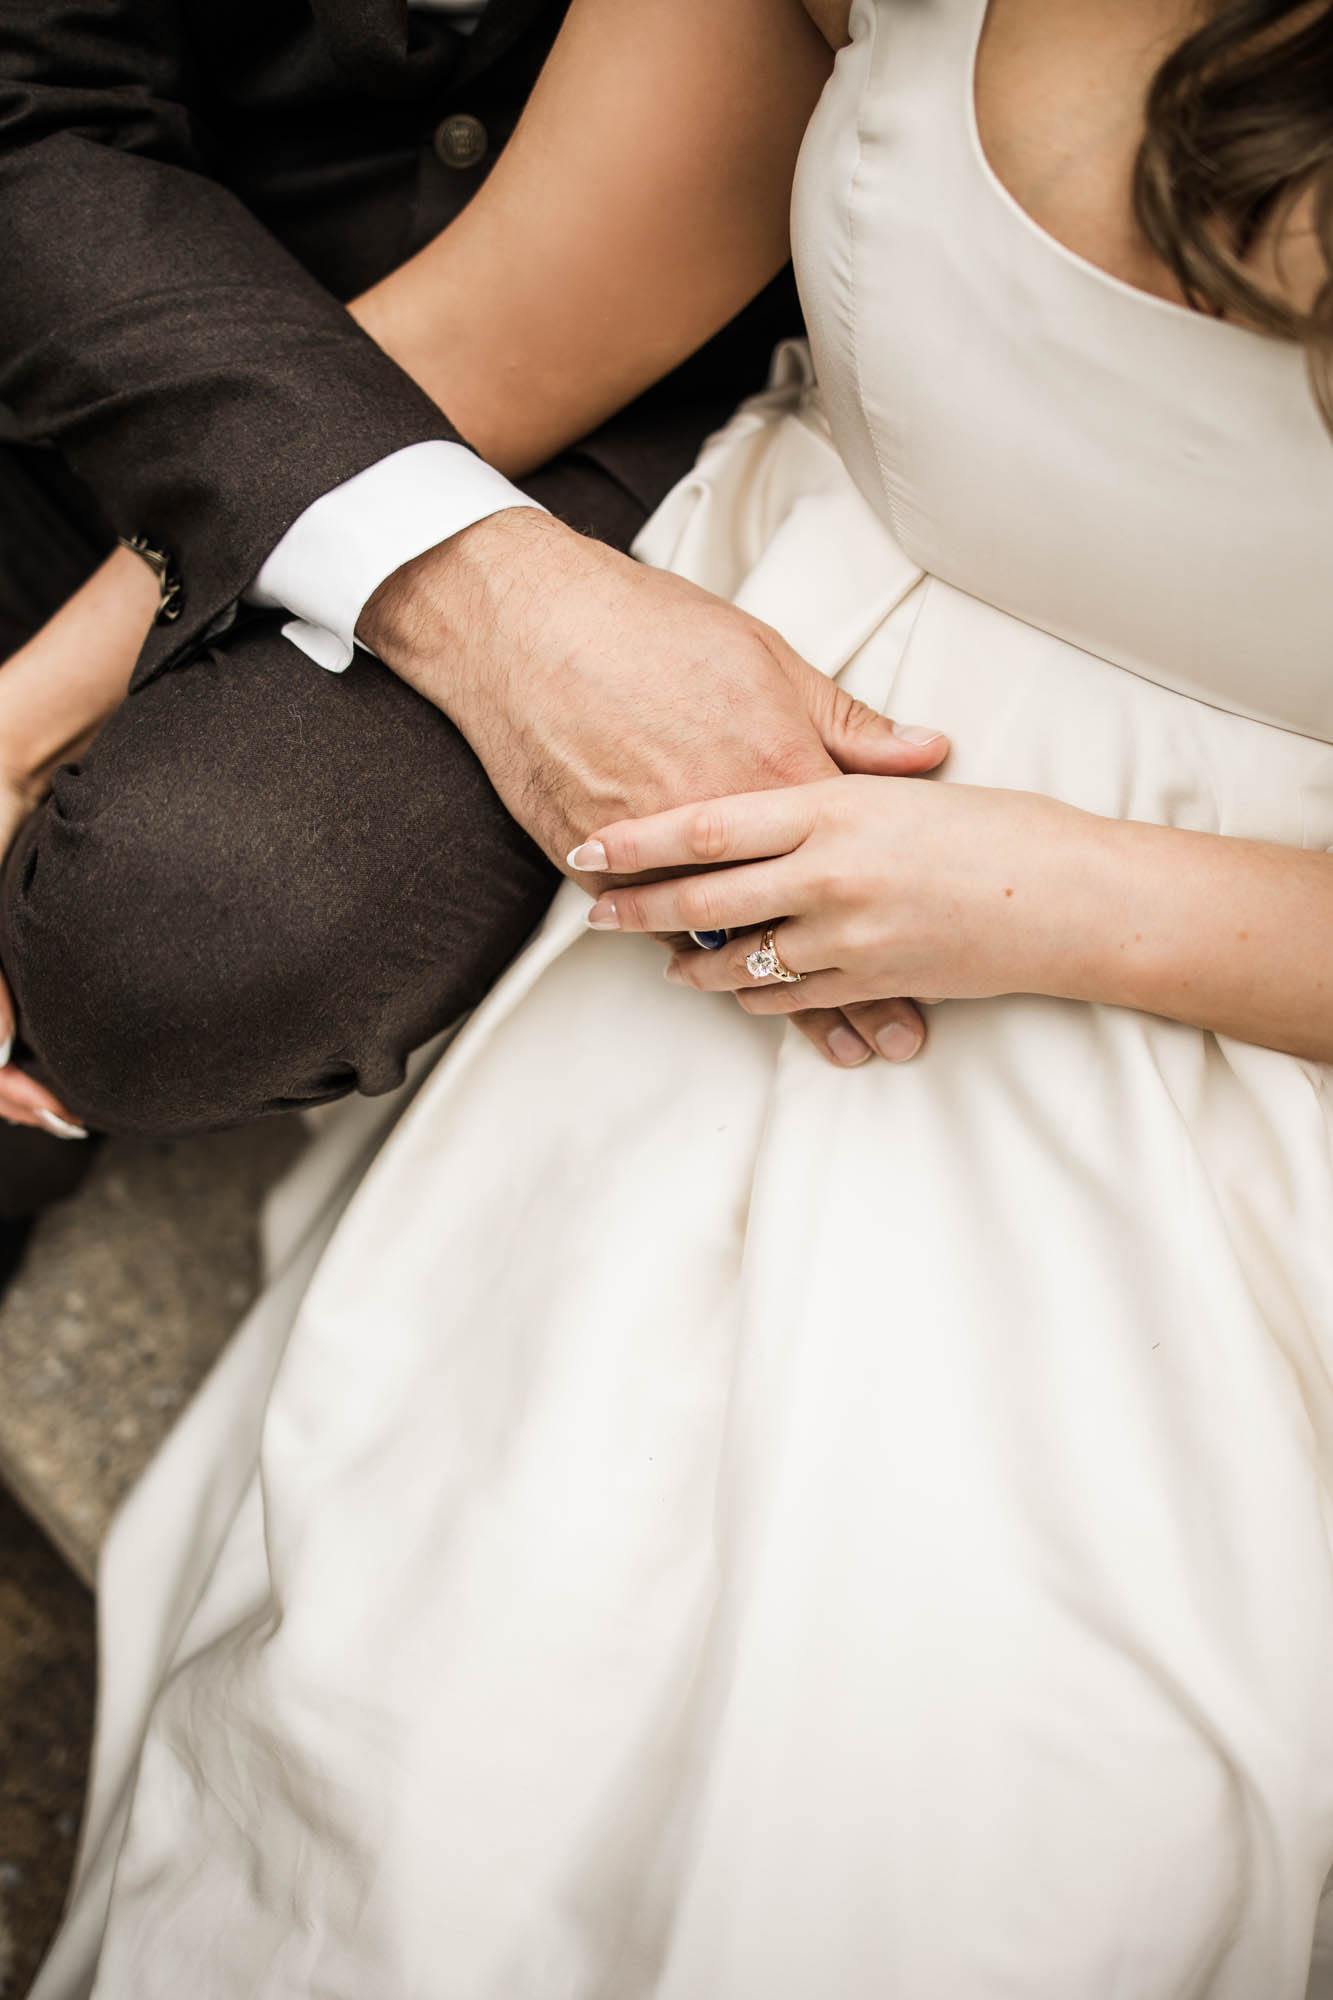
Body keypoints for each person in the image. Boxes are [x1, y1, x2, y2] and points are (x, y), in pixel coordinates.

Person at [33, 0, 1333, 1993]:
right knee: (430, 1698)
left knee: (1011, 1826)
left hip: (1242, 999)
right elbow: (518, 310)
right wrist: (38, 708)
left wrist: (1055, 899)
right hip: (722, 785)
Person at [0, 0, 932, 1237]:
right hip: (112, 334)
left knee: (197, 930)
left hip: (640, 405)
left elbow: (549, 291)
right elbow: (36, 111)